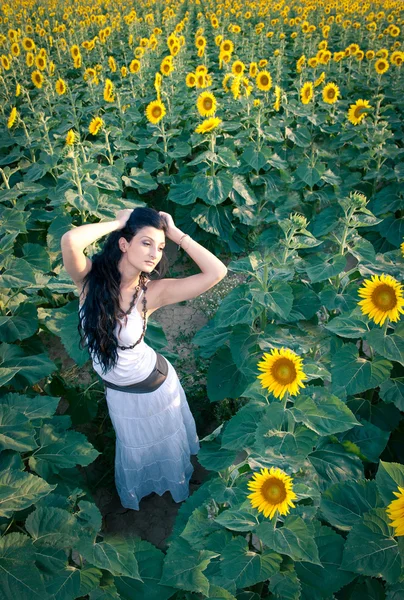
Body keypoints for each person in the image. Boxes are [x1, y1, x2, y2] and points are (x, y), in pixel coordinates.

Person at [61, 207, 227, 510]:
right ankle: (146, 493)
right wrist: (118, 223)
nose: (155, 254)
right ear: (124, 244)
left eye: (161, 247)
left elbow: (217, 273)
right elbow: (70, 239)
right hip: (120, 393)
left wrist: (175, 233)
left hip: (156, 386)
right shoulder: (88, 280)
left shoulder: (152, 292)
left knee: (166, 444)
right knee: (135, 447)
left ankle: (177, 489)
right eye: (146, 243)